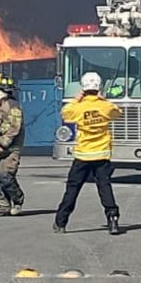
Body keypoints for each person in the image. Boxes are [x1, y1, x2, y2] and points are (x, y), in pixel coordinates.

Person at [54, 71, 123, 235]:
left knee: (73, 189)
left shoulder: (78, 107)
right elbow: (117, 112)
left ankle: (61, 222)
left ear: (83, 88)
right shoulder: (105, 106)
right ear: (99, 87)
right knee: (104, 187)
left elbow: (65, 112)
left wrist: (77, 99)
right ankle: (112, 218)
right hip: (102, 154)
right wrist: (103, 100)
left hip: (83, 155)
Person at [0, 74, 26, 217]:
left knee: (6, 176)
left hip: (10, 149)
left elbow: (15, 127)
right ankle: (2, 207)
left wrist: (4, 143)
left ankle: (18, 200)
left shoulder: (12, 106)